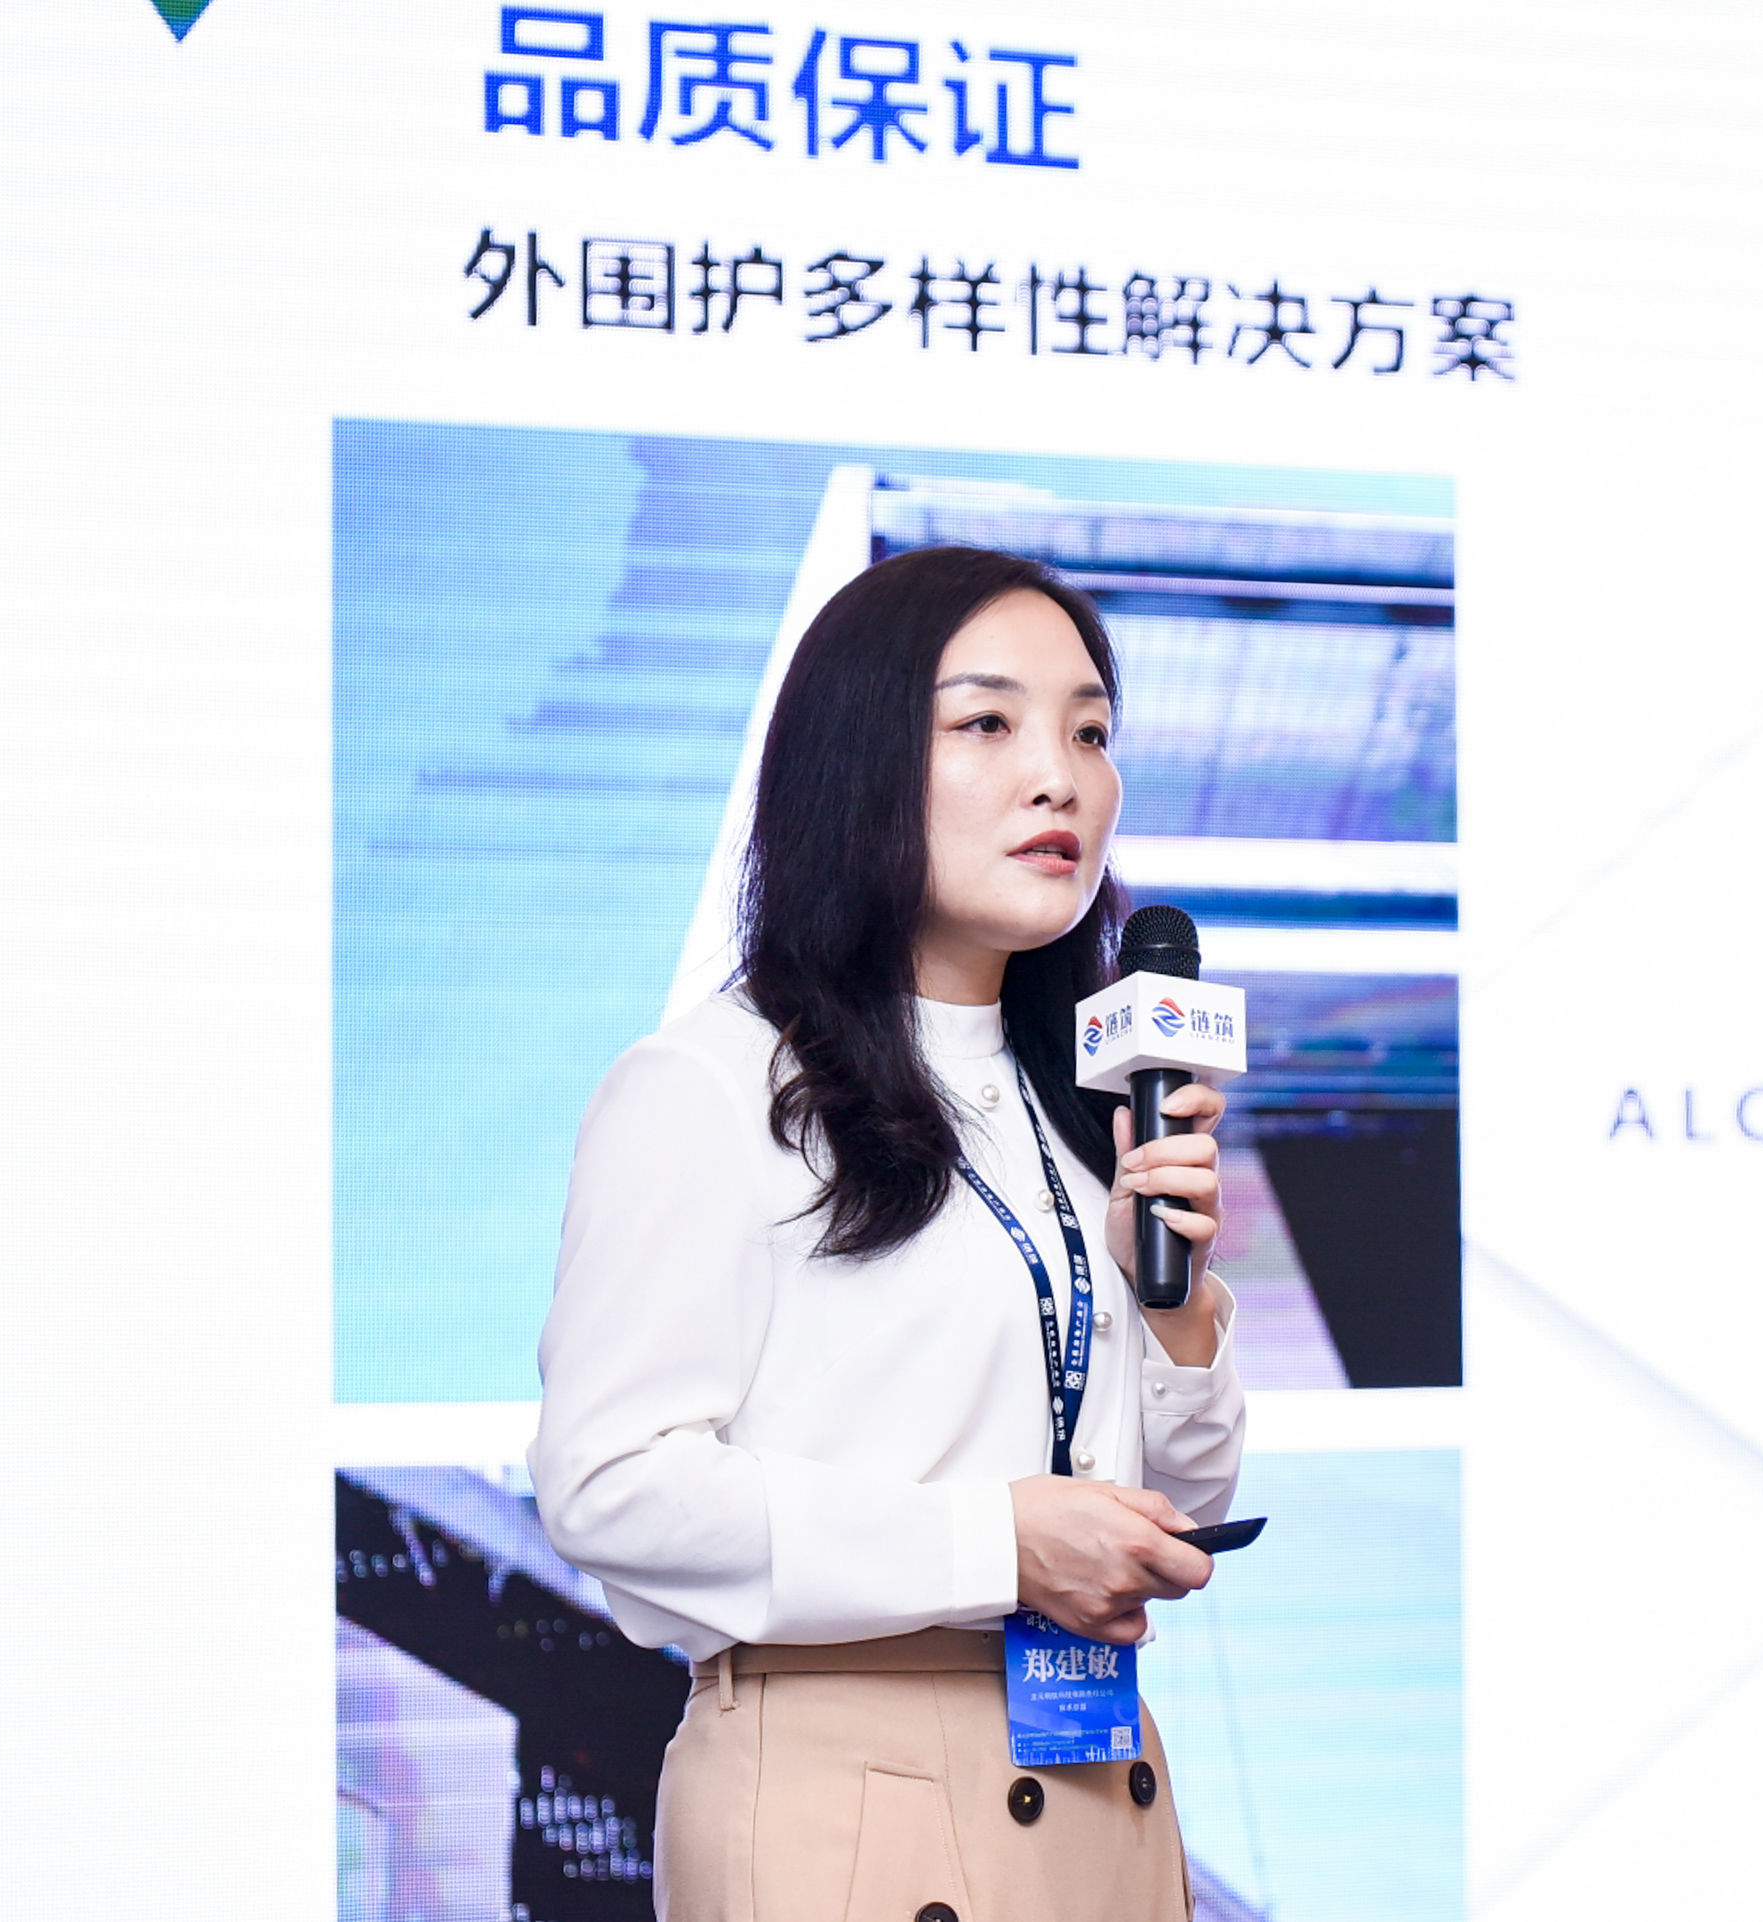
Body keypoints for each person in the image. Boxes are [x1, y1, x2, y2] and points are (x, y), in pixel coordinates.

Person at [530, 544, 1244, 1922]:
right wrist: (997, 1546)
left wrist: (1175, 1309)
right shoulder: (712, 1084)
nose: (1060, 778)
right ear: (853, 762)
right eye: (988, 723)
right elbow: (607, 1484)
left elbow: (1188, 1506)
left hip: (1100, 1774)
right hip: (847, 1792)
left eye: (1091, 733)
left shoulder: (1088, 1102)